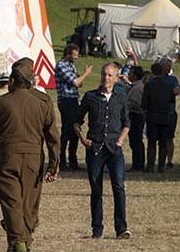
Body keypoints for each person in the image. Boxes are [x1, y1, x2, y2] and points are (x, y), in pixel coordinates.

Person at [0, 57, 59, 252]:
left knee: (11, 203)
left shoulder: (2, 103)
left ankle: (19, 243)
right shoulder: (44, 101)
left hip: (8, 159)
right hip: (34, 161)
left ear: (12, 80)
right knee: (29, 206)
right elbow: (53, 137)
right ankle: (22, 242)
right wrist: (53, 164)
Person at [74, 62, 131, 240]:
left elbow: (127, 123)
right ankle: (97, 229)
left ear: (116, 78)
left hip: (114, 149)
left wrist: (120, 140)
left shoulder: (121, 98)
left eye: (110, 75)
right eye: (104, 74)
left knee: (119, 187)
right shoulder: (90, 96)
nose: (106, 78)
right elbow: (76, 121)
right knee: (96, 189)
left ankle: (121, 228)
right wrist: (82, 139)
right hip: (95, 149)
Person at [54, 44, 93, 171]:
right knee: (67, 131)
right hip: (66, 100)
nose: (76, 57)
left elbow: (79, 83)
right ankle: (61, 161)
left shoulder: (71, 65)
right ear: (68, 54)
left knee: (75, 130)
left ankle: (73, 161)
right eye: (75, 55)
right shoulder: (61, 66)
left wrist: (80, 78)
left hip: (73, 99)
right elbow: (76, 82)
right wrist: (86, 73)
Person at [142, 60, 180, 172]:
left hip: (152, 116)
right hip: (165, 116)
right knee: (163, 143)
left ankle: (150, 166)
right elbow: (172, 100)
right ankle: (161, 166)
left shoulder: (149, 85)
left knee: (151, 143)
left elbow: (144, 103)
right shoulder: (168, 85)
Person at [125, 66, 146, 172]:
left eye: (131, 73)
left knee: (136, 140)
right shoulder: (134, 86)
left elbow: (137, 103)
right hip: (134, 115)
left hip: (136, 115)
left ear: (135, 75)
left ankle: (138, 164)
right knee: (134, 141)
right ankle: (137, 163)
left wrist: (127, 105)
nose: (129, 74)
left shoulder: (138, 88)